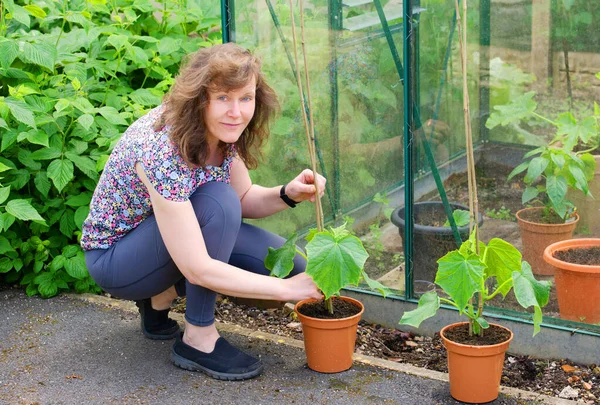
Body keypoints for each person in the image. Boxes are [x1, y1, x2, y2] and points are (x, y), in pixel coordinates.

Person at [81, 43, 324, 381]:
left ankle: (159, 300)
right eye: (223, 97)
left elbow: (244, 198)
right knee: (218, 204)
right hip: (118, 260)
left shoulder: (224, 130)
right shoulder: (161, 147)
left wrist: (288, 193)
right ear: (199, 99)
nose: (236, 112)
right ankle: (198, 338)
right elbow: (198, 265)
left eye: (245, 98)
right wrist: (287, 292)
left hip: (168, 240)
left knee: (292, 267)